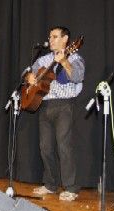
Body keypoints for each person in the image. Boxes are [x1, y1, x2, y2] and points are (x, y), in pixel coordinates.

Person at [26, 26, 85, 201]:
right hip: (44, 105)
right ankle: (50, 184)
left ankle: (71, 187)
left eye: (55, 36)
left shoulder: (75, 57)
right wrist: (29, 77)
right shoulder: (43, 59)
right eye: (50, 36)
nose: (50, 40)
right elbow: (29, 72)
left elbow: (78, 77)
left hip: (63, 106)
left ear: (66, 39)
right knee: (45, 147)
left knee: (63, 146)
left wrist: (64, 62)